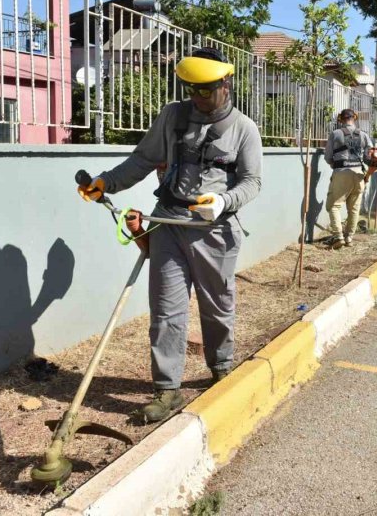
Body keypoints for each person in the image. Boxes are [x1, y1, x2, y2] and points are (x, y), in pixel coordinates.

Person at [77, 47, 263, 423]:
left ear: (226, 84)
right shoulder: (172, 116)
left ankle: (221, 368)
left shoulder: (244, 128)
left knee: (217, 307)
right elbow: (143, 160)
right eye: (191, 89)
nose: (197, 97)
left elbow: (252, 181)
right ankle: (167, 389)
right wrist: (106, 182)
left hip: (215, 231)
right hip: (168, 224)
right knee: (165, 311)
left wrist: (224, 201)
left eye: (206, 90)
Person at [323, 109, 374, 249]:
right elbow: (369, 156)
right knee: (354, 209)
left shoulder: (335, 134)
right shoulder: (363, 135)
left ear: (340, 119)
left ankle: (338, 236)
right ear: (354, 118)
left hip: (341, 172)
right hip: (359, 174)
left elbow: (327, 157)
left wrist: (334, 164)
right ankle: (349, 237)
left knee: (333, 206)